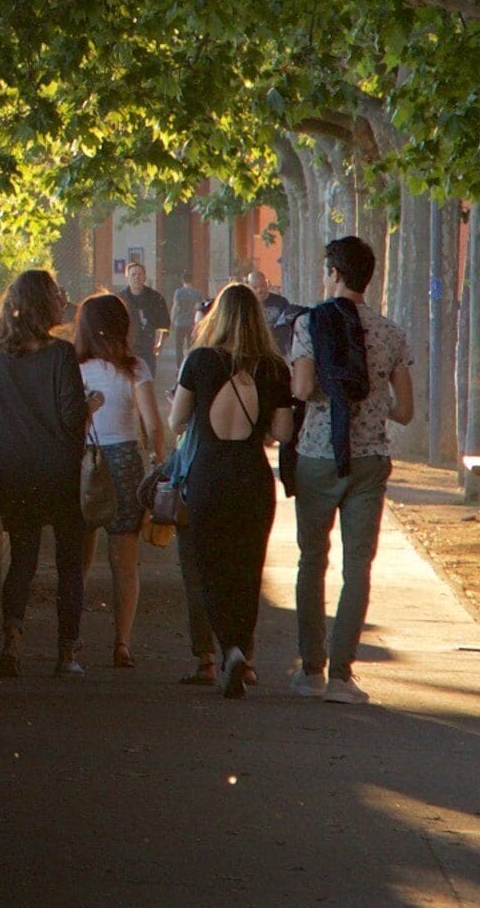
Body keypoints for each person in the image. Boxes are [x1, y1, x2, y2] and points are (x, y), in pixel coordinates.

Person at [286, 235, 417, 701]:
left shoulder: (309, 323)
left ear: (335, 274)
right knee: (357, 565)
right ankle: (342, 674)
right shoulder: (391, 333)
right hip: (369, 459)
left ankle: (311, 669)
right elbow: (406, 411)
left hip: (318, 456)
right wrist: (375, 404)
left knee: (311, 560)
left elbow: (303, 389)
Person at [170, 280, 294, 697]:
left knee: (209, 568)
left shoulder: (200, 360)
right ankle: (242, 650)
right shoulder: (274, 369)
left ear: (217, 318)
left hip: (208, 475)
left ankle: (230, 650)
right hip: (252, 477)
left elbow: (176, 420)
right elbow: (282, 432)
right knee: (247, 569)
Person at [0, 269, 93, 676]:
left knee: (22, 559)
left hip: (14, 472)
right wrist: (90, 406)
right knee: (69, 563)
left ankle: (12, 640)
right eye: (57, 294)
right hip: (58, 471)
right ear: (45, 305)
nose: (63, 300)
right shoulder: (60, 355)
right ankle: (67, 652)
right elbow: (71, 418)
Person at [72, 291, 159, 669]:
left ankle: (71, 637)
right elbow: (152, 423)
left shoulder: (73, 369)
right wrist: (158, 461)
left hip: (85, 463)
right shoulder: (134, 368)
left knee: (79, 557)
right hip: (124, 461)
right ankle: (122, 642)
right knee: (124, 560)